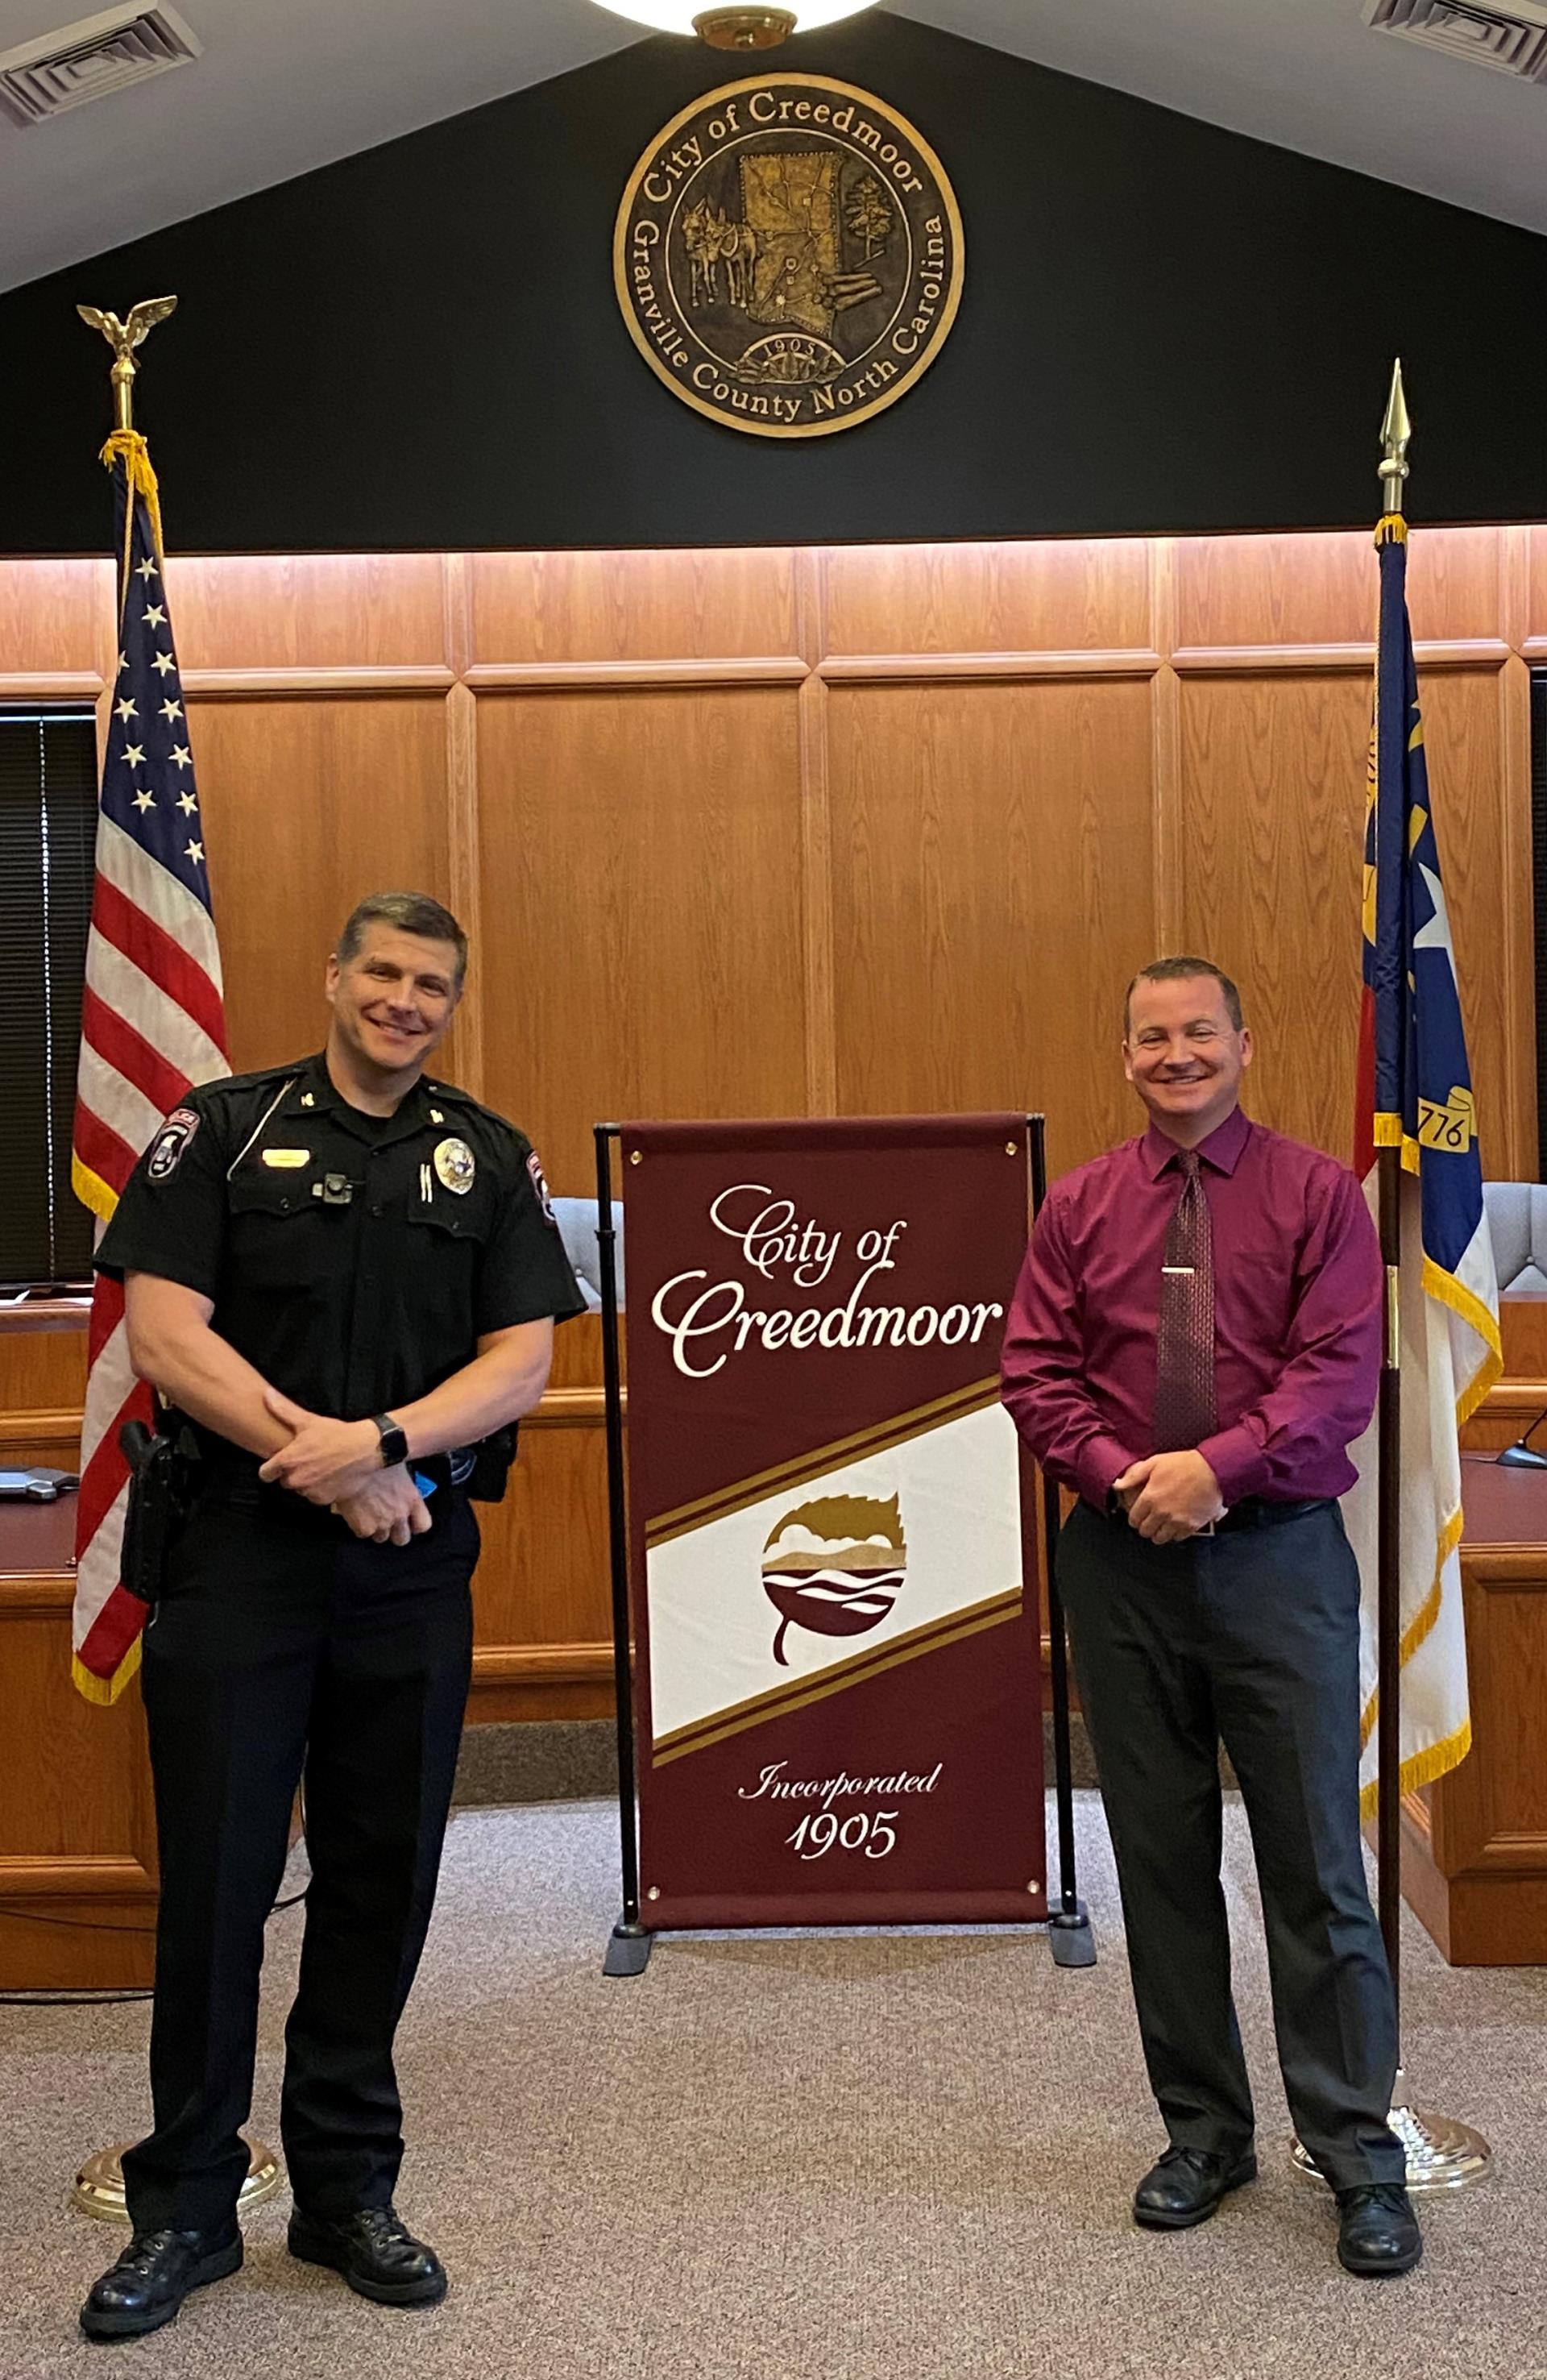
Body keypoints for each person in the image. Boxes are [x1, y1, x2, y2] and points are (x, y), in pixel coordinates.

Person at [80, 891, 585, 2341]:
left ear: (450, 1002)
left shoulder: (485, 1155)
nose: (405, 1000)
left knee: (383, 1876)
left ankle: (345, 2185)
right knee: (221, 1885)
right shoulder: (221, 1128)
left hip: (410, 1565)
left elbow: (520, 1362)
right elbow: (168, 1334)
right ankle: (185, 2203)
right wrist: (329, 1456)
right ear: (335, 977)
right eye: (384, 972)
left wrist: (380, 1451)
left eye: (432, 983)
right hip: (240, 1559)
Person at [1001, 957, 1421, 2278]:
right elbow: (1034, 1371)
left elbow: (1338, 1372)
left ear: (1244, 1044)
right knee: (1162, 1858)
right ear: (1125, 1058)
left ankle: (1356, 2153)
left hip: (1280, 1559)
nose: (1175, 1054)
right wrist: (1130, 1479)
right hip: (1120, 1562)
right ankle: (1204, 2132)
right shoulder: (1078, 1204)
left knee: (1315, 1864)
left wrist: (1215, 1467)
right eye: (1150, 1038)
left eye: (1198, 1032)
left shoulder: (1313, 1196)